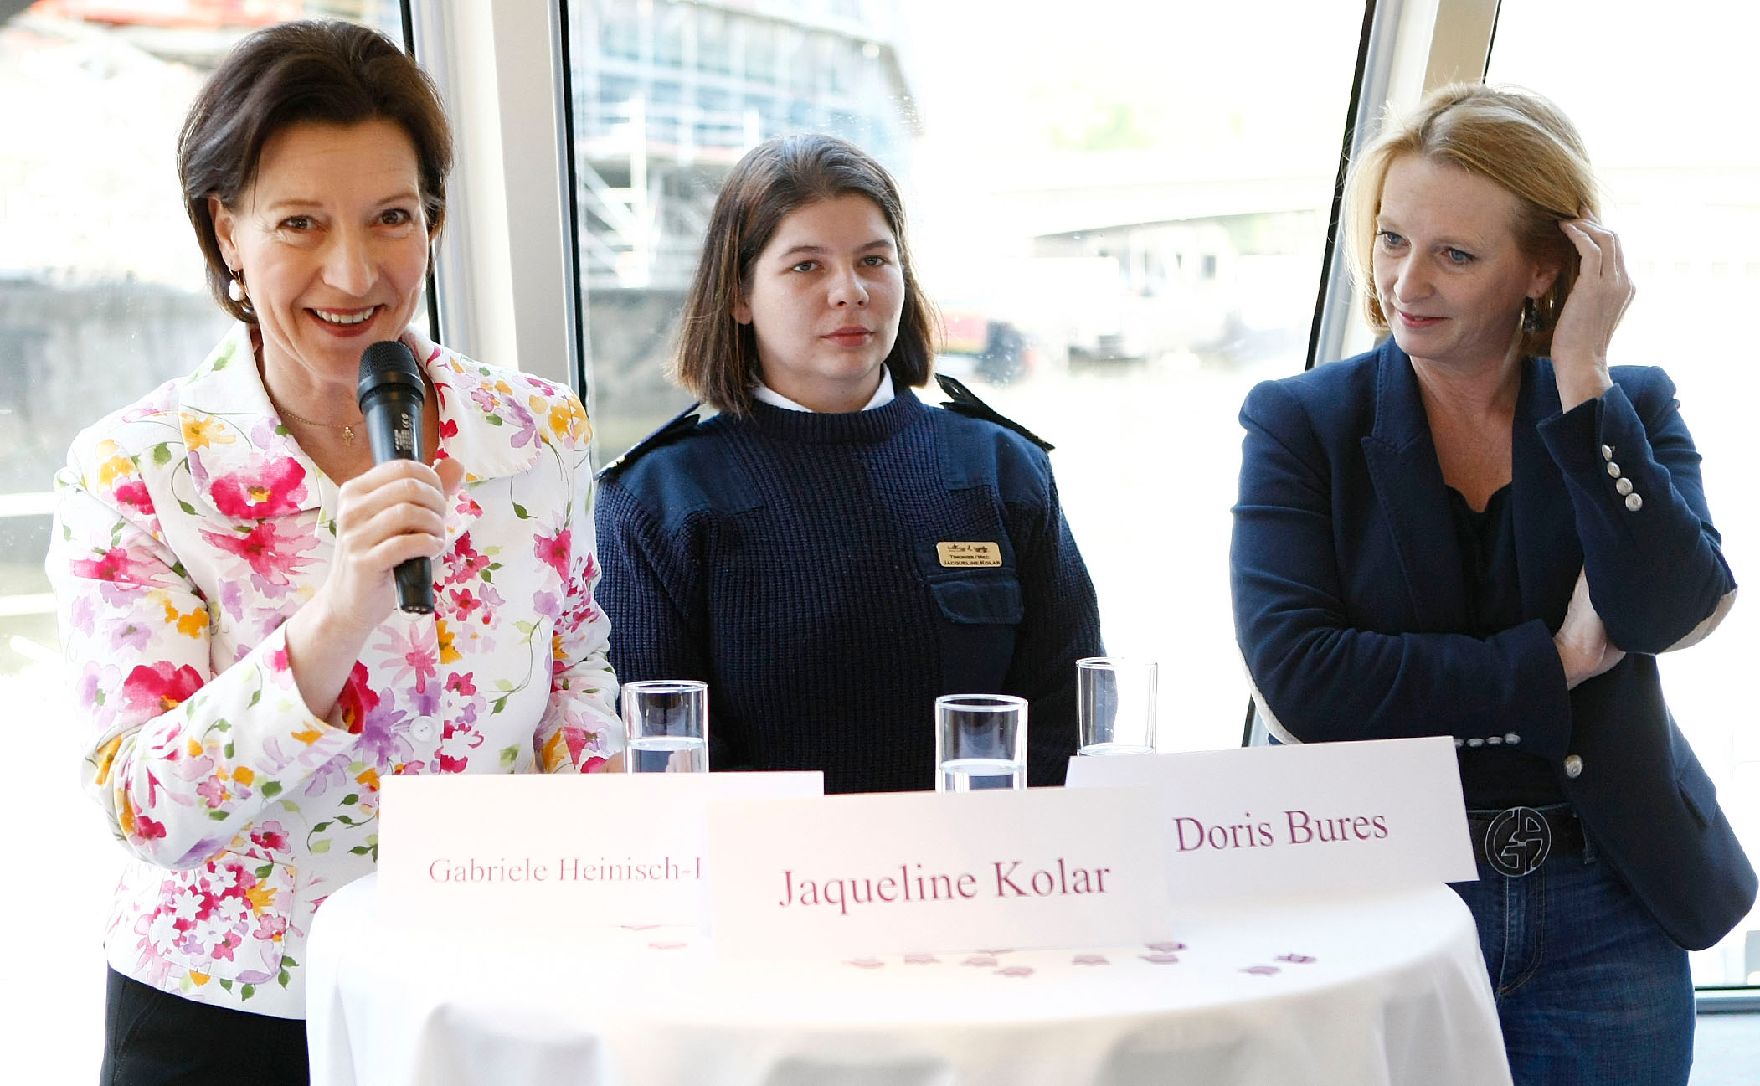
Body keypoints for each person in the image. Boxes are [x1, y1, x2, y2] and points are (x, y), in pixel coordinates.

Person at [47, 21, 621, 1084]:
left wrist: (604, 848)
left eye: (392, 218)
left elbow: (578, 662)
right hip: (236, 1012)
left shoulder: (537, 428)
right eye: (299, 223)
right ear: (226, 231)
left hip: (489, 989)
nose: (353, 271)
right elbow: (142, 805)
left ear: (434, 224)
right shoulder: (140, 467)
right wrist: (338, 611)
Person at [1230, 83, 1753, 1084]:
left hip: (1608, 907)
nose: (1403, 282)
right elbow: (1303, 678)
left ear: (1544, 268)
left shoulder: (1626, 405)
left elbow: (1667, 608)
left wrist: (1583, 380)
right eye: (1390, 240)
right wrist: (1549, 667)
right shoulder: (1300, 423)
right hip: (1386, 904)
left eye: (1454, 255)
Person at [594, 134, 1101, 794]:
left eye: (873, 260)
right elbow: (664, 759)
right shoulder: (658, 498)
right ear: (740, 296)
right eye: (806, 266)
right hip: (770, 882)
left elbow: (1069, 719)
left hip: (983, 873)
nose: (849, 291)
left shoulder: (1002, 468)